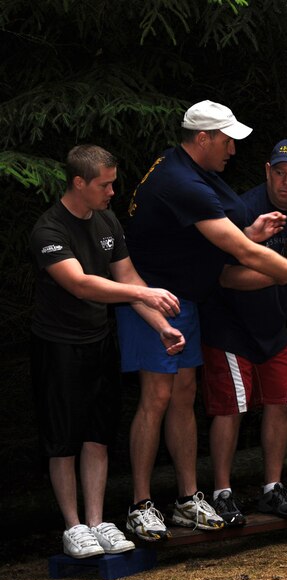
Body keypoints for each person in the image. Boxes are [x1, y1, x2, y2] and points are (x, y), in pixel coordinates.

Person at [118, 100, 287, 541]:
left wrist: (249, 233)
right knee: (155, 398)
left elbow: (211, 238)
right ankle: (140, 504)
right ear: (203, 138)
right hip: (151, 298)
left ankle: (187, 499)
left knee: (183, 396)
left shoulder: (192, 169)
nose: (233, 150)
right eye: (227, 140)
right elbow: (242, 254)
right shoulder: (181, 181)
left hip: (185, 300)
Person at [29, 145, 185, 558]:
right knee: (63, 440)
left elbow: (127, 277)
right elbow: (81, 284)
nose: (113, 192)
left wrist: (162, 326)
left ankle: (97, 523)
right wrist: (144, 293)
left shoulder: (107, 220)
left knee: (98, 435)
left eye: (113, 183)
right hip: (58, 345)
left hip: (100, 341)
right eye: (105, 185)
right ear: (79, 182)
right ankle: (73, 526)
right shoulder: (49, 230)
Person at [199, 139, 287, 525]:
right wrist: (285, 272)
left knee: (279, 403)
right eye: (279, 173)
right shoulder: (241, 209)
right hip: (230, 326)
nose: (285, 182)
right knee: (230, 409)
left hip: (274, 326)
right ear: (267, 171)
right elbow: (227, 277)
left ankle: (272, 488)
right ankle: (222, 493)